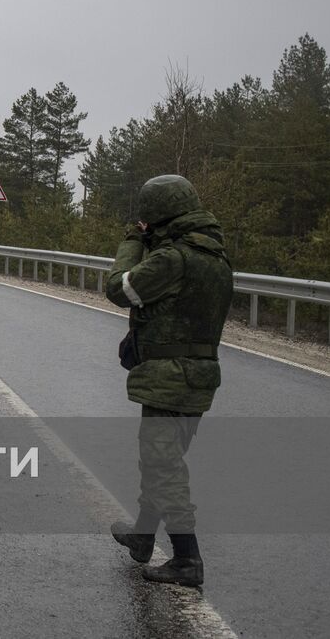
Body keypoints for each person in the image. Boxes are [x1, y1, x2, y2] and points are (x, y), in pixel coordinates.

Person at [104, 175, 233, 588]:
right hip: (198, 375)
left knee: (163, 464)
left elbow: (118, 288)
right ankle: (143, 536)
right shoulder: (215, 258)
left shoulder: (173, 259)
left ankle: (186, 559)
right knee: (162, 458)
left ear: (158, 217)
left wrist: (132, 241)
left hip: (170, 375)